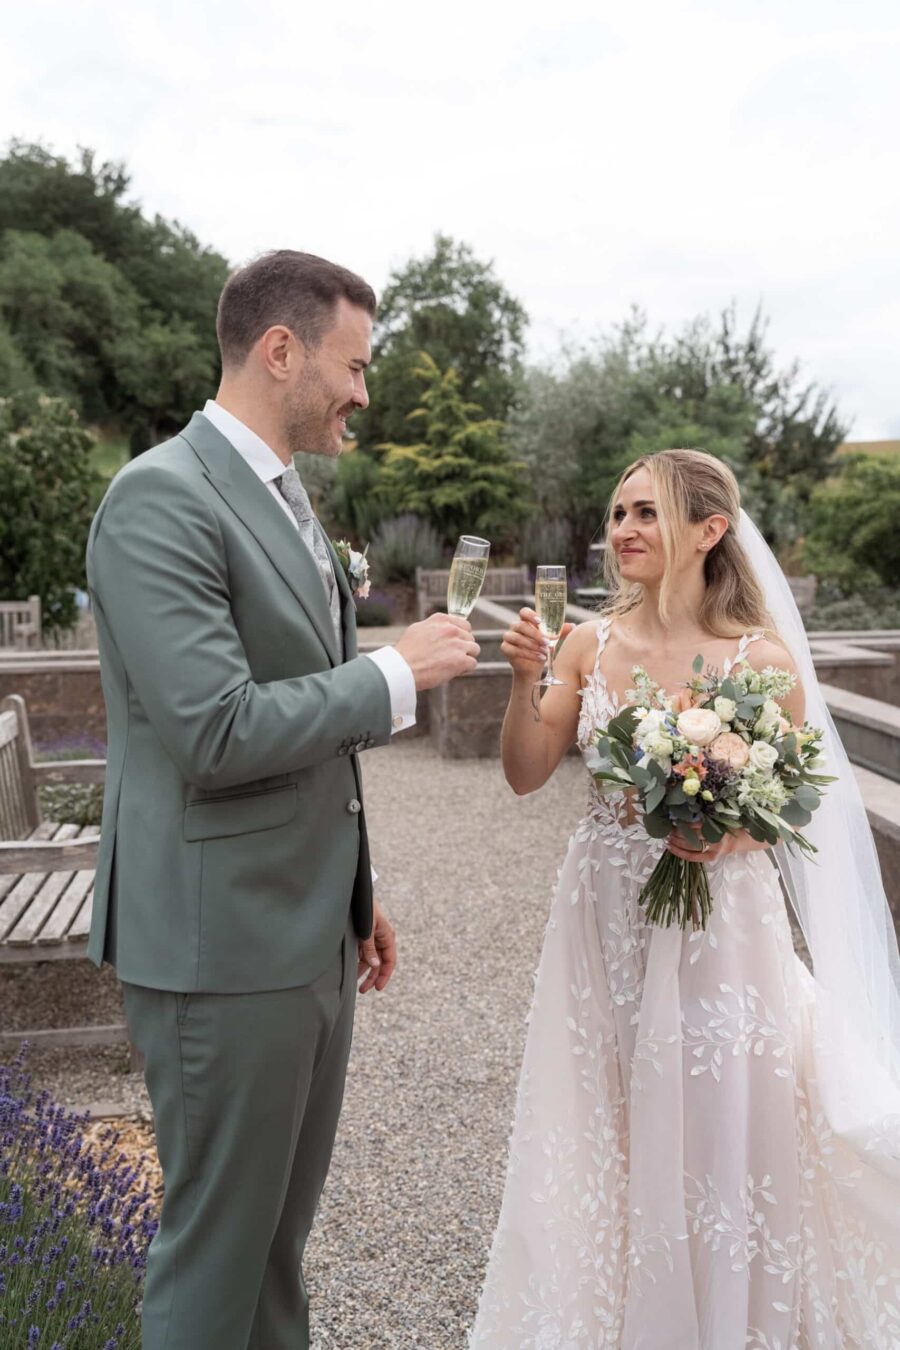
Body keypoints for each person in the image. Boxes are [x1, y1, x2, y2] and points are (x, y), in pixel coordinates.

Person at [86, 249, 479, 1350]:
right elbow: (213, 730)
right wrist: (400, 674)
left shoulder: (284, 494)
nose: (363, 392)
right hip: (220, 953)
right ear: (280, 351)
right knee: (216, 1266)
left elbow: (297, 725)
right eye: (353, 368)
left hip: (302, 931)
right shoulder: (159, 498)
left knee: (272, 1257)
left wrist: (355, 892)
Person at [470, 448, 900, 1349]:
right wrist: (521, 683)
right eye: (617, 513)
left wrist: (724, 831)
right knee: (612, 1111)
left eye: (644, 514)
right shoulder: (585, 643)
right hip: (603, 915)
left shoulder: (762, 659)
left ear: (708, 531)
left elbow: (789, 805)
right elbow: (524, 773)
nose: (621, 531)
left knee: (715, 1114)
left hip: (723, 929)